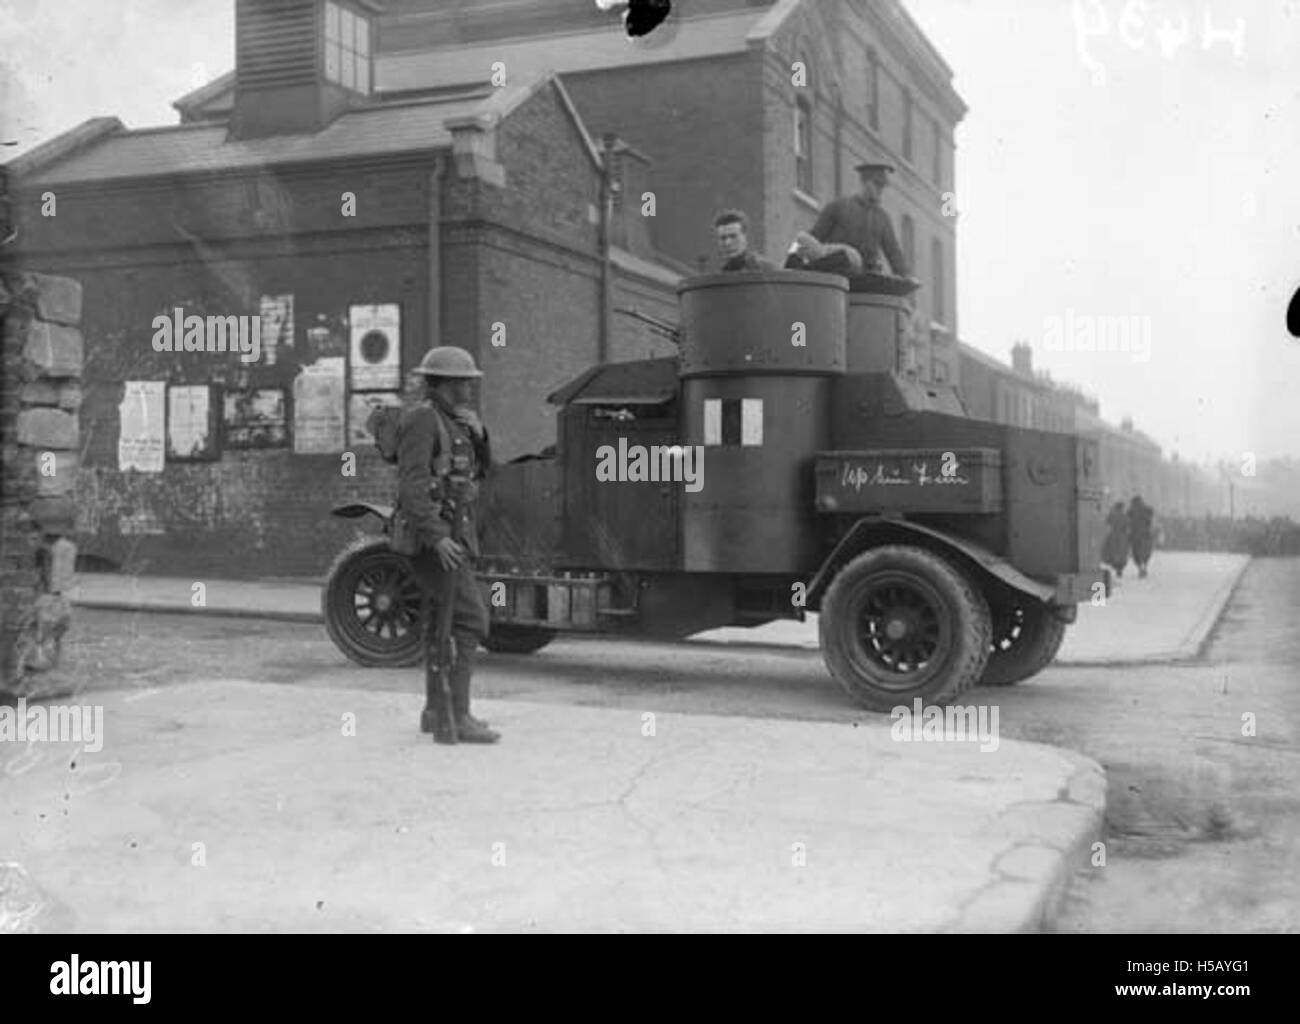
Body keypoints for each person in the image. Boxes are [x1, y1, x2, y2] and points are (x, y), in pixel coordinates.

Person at [397, 346, 498, 744]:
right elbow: (412, 486)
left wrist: (480, 435)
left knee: (443, 622)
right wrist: (436, 537)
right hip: (435, 543)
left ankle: (436, 712)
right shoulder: (423, 420)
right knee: (471, 620)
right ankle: (459, 714)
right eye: (463, 382)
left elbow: (484, 472)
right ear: (443, 384)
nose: (469, 389)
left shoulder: (453, 421)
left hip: (455, 536)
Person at [785, 162, 913, 283]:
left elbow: (894, 253)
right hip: (838, 276)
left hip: (866, 280)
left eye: (882, 187)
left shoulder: (882, 218)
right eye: (877, 185)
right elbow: (811, 238)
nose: (880, 191)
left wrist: (906, 277)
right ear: (864, 182)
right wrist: (789, 269)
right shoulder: (838, 207)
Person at [1128, 495, 1155, 578]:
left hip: (1135, 535)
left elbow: (1128, 521)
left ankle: (1140, 567)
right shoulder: (1148, 509)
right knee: (1146, 551)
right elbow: (1150, 520)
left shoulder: (1131, 510)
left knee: (1136, 552)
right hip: (1146, 534)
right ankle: (1145, 566)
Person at [1102, 501, 1131, 579]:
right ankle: (1119, 568)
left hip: (1113, 536)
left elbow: (1106, 522)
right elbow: (1127, 527)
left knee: (1112, 552)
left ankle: (1115, 566)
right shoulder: (1125, 516)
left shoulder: (1112, 515)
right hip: (1122, 537)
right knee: (1122, 553)